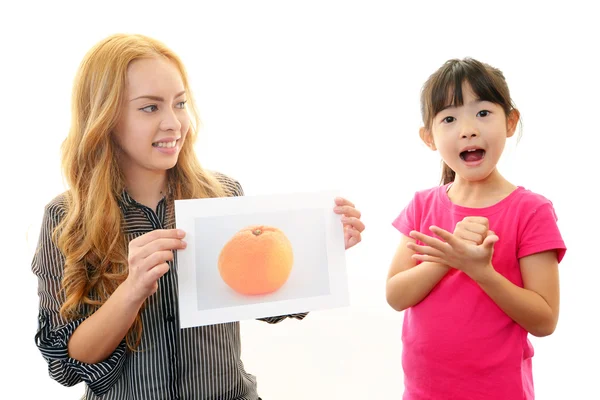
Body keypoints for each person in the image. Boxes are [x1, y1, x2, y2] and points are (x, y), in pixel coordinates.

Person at [32, 33, 365, 400]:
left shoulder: (220, 195)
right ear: (104, 117)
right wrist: (131, 290)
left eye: (180, 104)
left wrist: (325, 248)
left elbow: (262, 299)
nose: (174, 123)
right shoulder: (66, 217)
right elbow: (65, 361)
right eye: (150, 107)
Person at [385, 58, 566, 400]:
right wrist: (446, 259)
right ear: (429, 138)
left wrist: (480, 271)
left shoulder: (530, 211)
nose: (468, 129)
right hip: (422, 392)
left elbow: (544, 320)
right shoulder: (423, 205)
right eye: (449, 119)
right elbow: (396, 295)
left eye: (483, 113)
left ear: (510, 122)